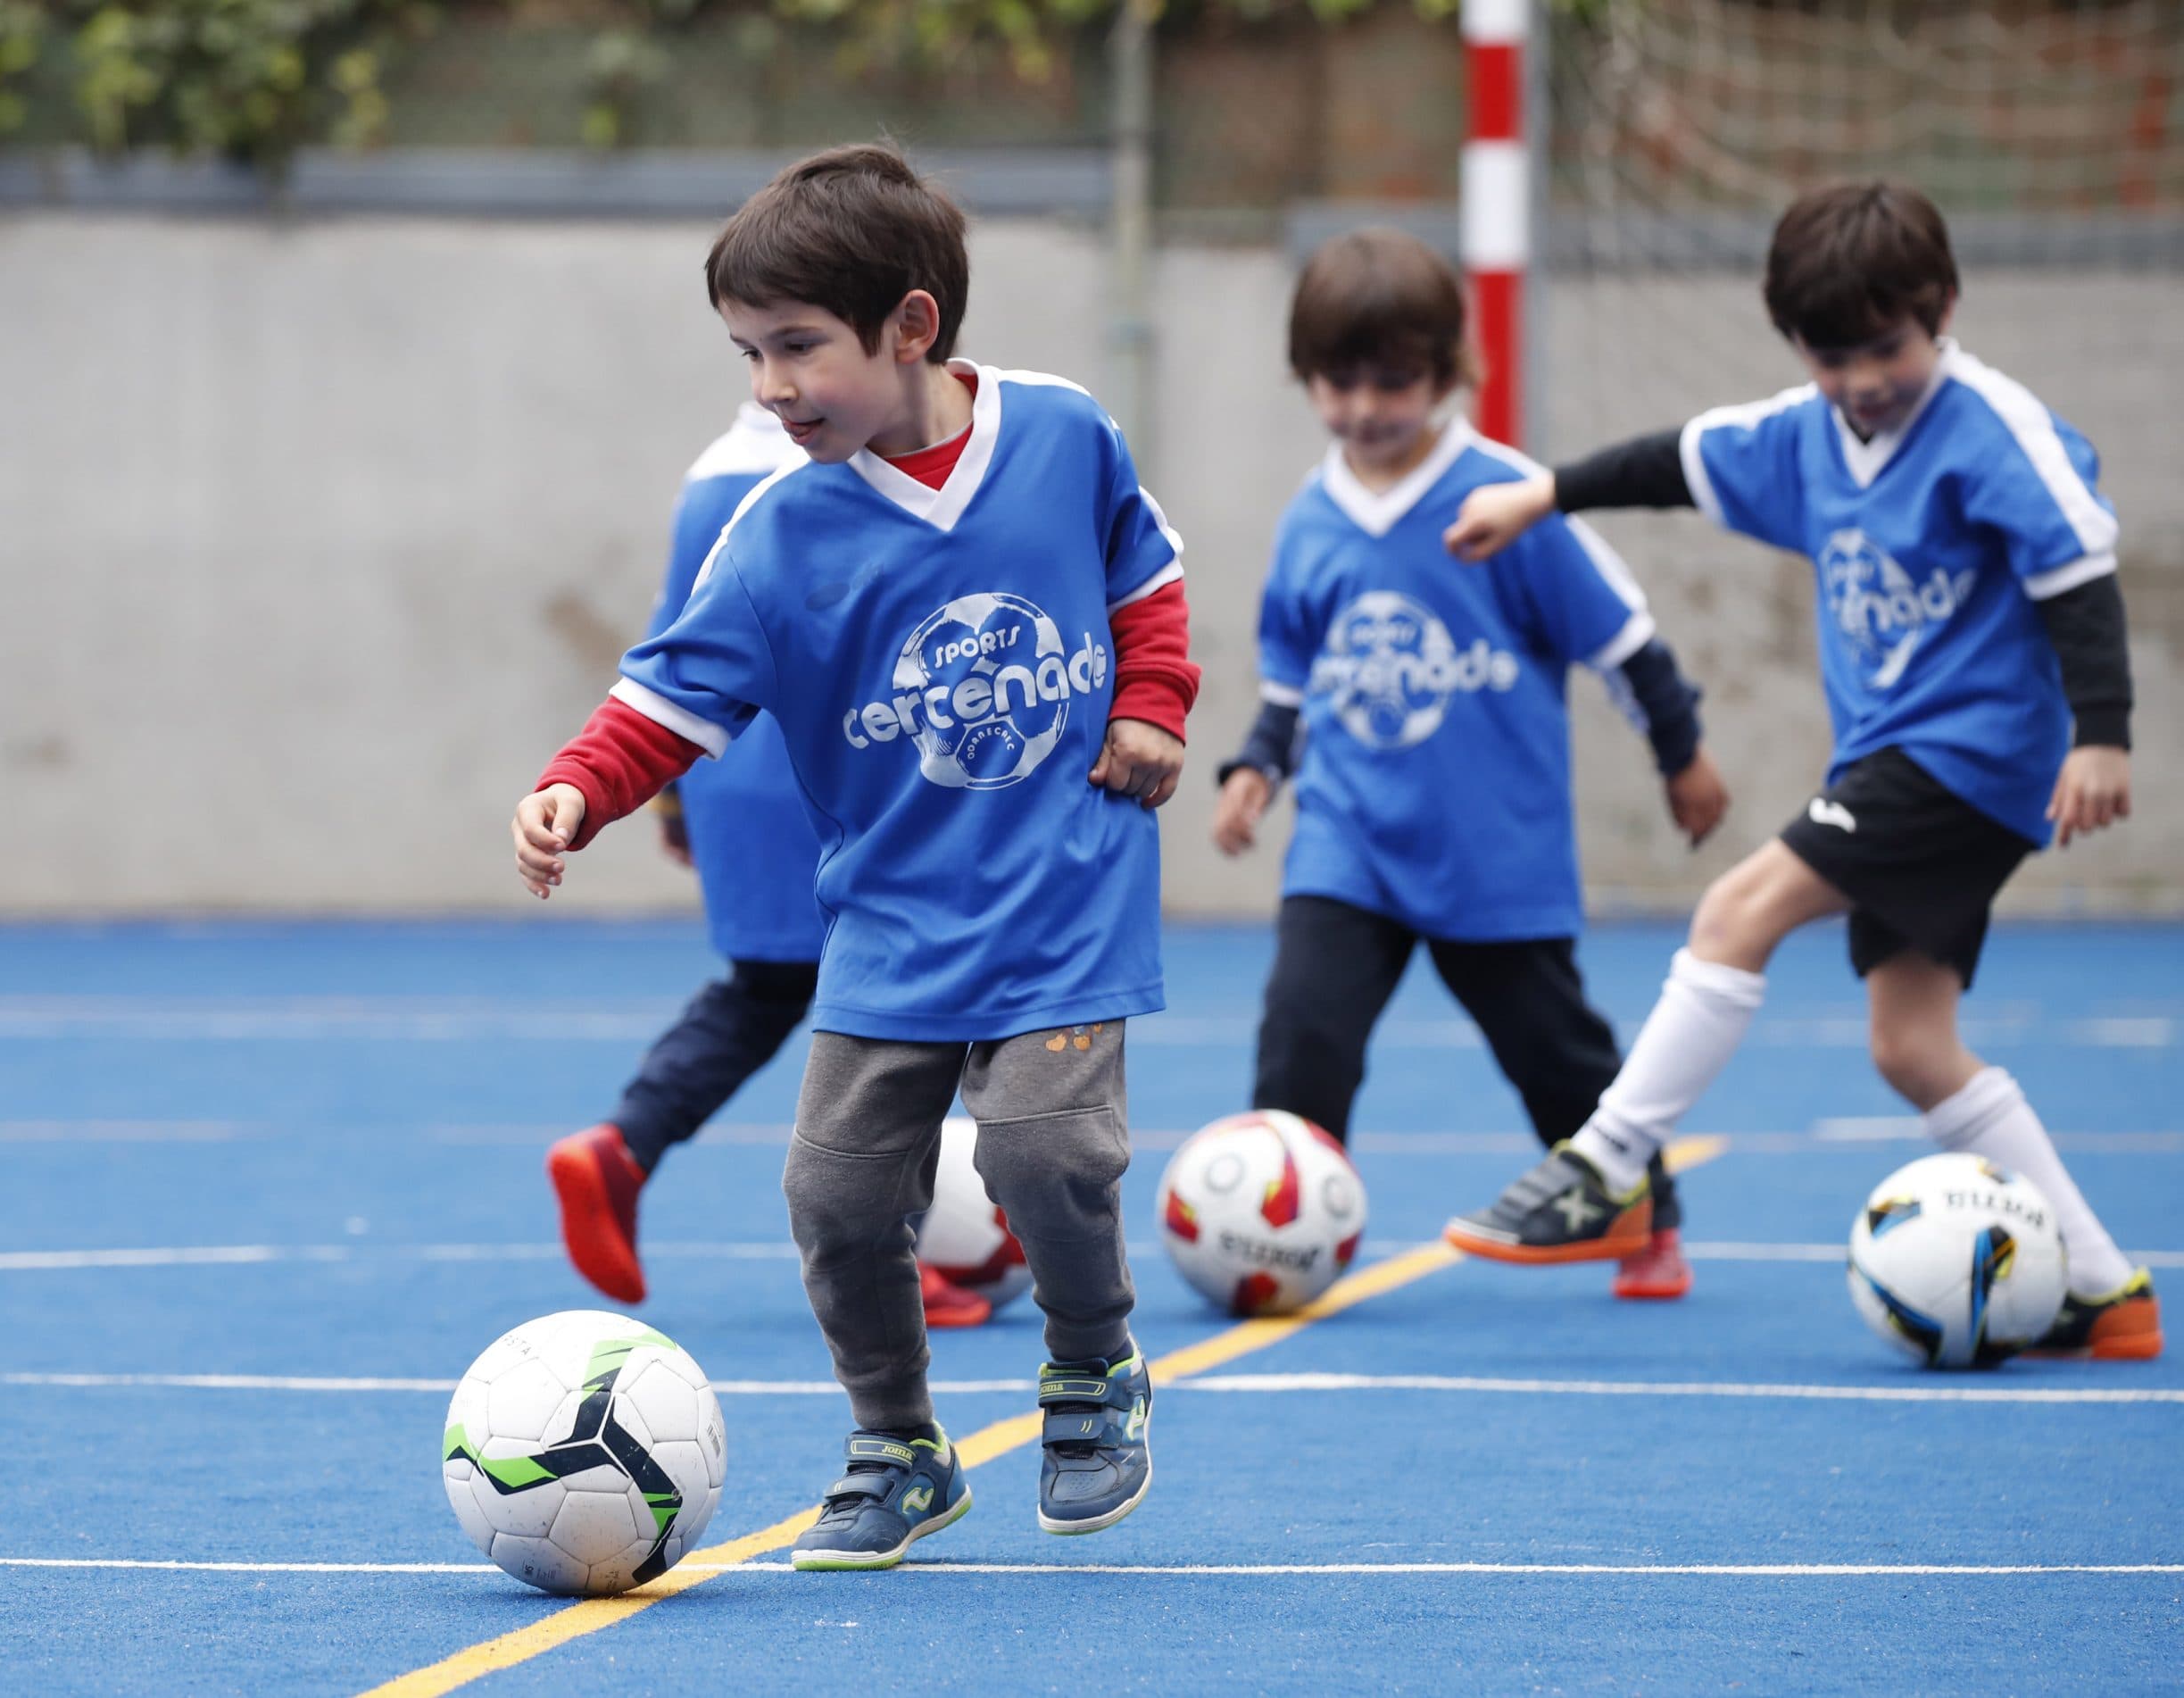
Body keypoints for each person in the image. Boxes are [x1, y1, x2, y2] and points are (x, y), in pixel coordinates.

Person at [511, 144, 1203, 1568]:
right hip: (887, 917)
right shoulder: (780, 531)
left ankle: (1093, 1361)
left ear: (912, 327)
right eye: (747, 352)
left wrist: (1152, 705)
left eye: (797, 348)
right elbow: (668, 692)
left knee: (1039, 1145)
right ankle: (898, 1442)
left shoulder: (1066, 435)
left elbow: (1146, 578)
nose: (769, 386)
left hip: (1061, 891)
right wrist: (581, 786)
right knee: (831, 1193)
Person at [1439, 181, 2158, 1361]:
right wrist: (1542, 494)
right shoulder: (1808, 436)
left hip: (1962, 758)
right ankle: (2103, 1285)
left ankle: (1608, 1165)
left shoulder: (1990, 428)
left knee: (1740, 906)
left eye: (1889, 346)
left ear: (1945, 309)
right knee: (1912, 1046)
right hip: (1898, 760)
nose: (1865, 378)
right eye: (1834, 355)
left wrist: (2102, 733)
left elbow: (2077, 573)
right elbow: (1676, 460)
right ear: (1796, 345)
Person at [1213, 228, 1729, 1301]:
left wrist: (1681, 755)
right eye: (1336, 382)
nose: (1363, 408)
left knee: (1555, 1054)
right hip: (1348, 843)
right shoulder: (1311, 518)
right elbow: (1291, 672)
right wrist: (1258, 765)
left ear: (1451, 372)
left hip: (1492, 853)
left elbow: (1621, 637)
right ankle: (1277, 1230)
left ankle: (1644, 1213)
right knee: (1300, 1041)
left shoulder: (1509, 500)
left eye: (1393, 382)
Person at [544, 404, 989, 1330]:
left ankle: (625, 1143)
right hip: (826, 766)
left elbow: (674, 645)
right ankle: (898, 1251)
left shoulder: (710, 471)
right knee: (906, 1007)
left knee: (764, 989)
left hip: (720, 771)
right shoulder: (861, 461)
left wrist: (672, 800)